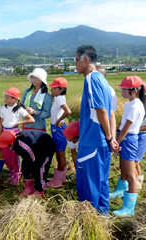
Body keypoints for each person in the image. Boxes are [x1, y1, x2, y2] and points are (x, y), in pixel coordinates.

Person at [75, 45, 120, 214]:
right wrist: (110, 138)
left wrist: (109, 137)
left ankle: (89, 222)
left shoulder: (91, 78)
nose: (75, 65)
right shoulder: (103, 80)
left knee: (89, 184)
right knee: (101, 181)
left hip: (92, 141)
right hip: (101, 141)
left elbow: (101, 110)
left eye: (76, 60)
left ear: (86, 60)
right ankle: (102, 218)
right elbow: (110, 113)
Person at [110, 76, 145, 217]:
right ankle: (121, 193)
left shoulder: (136, 106)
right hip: (126, 138)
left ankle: (129, 208)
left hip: (129, 139)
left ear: (134, 91)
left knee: (131, 176)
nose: (121, 91)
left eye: (124, 89)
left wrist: (117, 142)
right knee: (124, 168)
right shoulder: (129, 104)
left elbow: (126, 128)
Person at [0, 130, 55, 197]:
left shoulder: (24, 145)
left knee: (38, 169)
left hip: (45, 147)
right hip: (34, 148)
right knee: (25, 167)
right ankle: (29, 188)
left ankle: (40, 190)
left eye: (6, 145)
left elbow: (33, 159)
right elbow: (27, 156)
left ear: (11, 143)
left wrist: (32, 170)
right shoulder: (15, 143)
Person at [0, 87, 34, 184]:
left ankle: (17, 175)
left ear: (14, 99)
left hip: (14, 134)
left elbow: (31, 119)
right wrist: (0, 134)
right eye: (5, 96)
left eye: (7, 97)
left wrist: (19, 122)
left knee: (14, 155)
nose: (5, 98)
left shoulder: (19, 109)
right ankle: (11, 172)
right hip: (5, 134)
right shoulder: (3, 108)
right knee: (6, 155)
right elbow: (1, 122)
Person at [46, 77, 71, 188]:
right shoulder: (58, 98)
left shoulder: (60, 99)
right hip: (56, 129)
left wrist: (58, 120)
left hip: (58, 129)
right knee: (60, 153)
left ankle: (58, 181)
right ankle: (62, 178)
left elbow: (68, 111)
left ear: (61, 89)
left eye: (54, 88)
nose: (52, 90)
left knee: (60, 154)